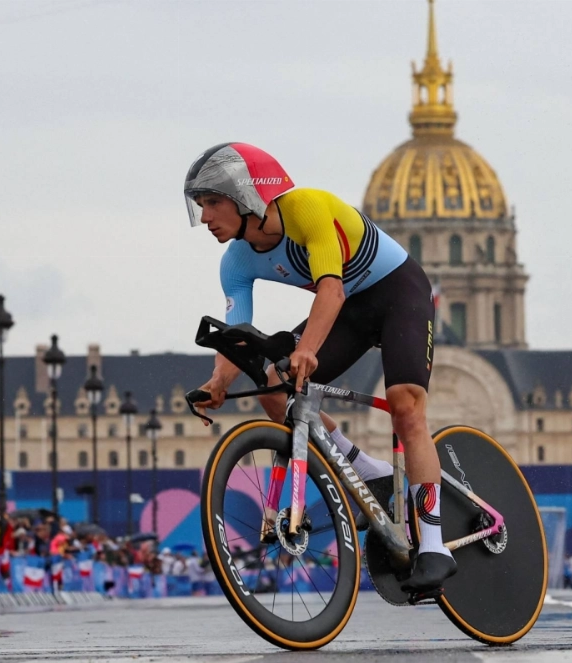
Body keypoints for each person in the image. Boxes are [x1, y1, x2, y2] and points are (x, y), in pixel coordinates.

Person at [185, 143, 453, 593]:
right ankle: (367, 471)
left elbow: (331, 289)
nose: (206, 216)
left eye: (213, 202)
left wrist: (307, 350)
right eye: (200, 206)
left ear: (245, 195)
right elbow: (237, 333)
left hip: (396, 295)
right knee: (271, 385)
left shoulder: (307, 208)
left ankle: (433, 544)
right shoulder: (234, 261)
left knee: (406, 407)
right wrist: (216, 381)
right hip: (349, 311)